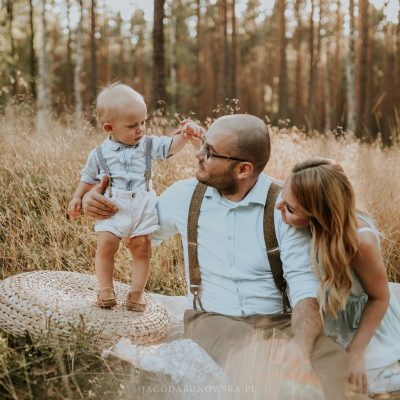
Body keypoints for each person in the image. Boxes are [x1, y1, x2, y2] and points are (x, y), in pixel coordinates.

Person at [83, 114, 365, 399]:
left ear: (243, 169)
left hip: (280, 322)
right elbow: (132, 234)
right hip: (213, 321)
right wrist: (91, 200)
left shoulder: (284, 207)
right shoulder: (183, 196)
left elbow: (305, 289)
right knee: (259, 366)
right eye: (203, 145)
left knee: (336, 370)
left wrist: (301, 347)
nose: (198, 155)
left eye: (209, 152)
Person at [67, 83, 202, 311]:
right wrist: (77, 197)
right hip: (112, 206)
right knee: (106, 245)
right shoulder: (98, 154)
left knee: (142, 247)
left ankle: (137, 292)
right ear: (109, 128)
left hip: (142, 203)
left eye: (143, 122)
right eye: (132, 126)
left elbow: (170, 147)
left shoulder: (148, 145)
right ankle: (106, 289)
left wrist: (186, 135)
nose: (140, 130)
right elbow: (87, 178)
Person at [276, 157, 400, 395]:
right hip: (333, 313)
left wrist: (356, 351)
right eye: (282, 197)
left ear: (319, 214)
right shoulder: (316, 226)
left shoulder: (360, 242)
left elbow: (379, 298)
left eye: (290, 208)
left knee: (354, 381)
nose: (278, 207)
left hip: (363, 321)